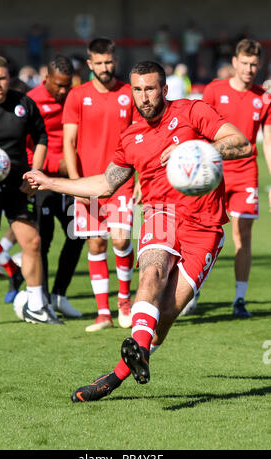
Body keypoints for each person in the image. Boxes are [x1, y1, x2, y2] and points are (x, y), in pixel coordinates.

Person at [24, 61, 251, 402]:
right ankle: (134, 355)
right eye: (138, 90)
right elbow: (105, 184)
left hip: (205, 224)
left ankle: (116, 375)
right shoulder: (131, 137)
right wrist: (49, 182)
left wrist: (198, 151)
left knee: (168, 312)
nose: (144, 97)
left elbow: (241, 143)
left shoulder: (193, 111)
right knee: (152, 273)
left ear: (164, 89)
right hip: (160, 214)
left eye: (150, 88)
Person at [0, 55, 62, 326]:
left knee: (32, 242)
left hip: (17, 185)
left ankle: (37, 306)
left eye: (2, 78)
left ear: (8, 78)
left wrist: (34, 174)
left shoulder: (23, 104)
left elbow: (41, 137)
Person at [62, 37, 138, 332]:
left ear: (114, 61)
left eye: (109, 62)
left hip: (121, 182)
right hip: (88, 183)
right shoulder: (77, 96)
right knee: (96, 242)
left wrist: (140, 180)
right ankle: (103, 313)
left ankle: (124, 302)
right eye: (100, 63)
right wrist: (74, 185)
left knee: (119, 239)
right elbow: (69, 141)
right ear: (90, 63)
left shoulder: (128, 93)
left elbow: (137, 139)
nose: (105, 67)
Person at [203, 39, 271, 318]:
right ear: (234, 63)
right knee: (206, 235)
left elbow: (268, 142)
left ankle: (240, 299)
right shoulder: (214, 91)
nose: (249, 68)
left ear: (260, 65)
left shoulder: (263, 98)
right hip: (214, 174)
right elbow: (200, 130)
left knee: (242, 236)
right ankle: (192, 292)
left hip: (246, 175)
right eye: (244, 63)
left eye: (254, 64)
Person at [26, 55, 85, 318]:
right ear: (46, 78)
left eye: (67, 85)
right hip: (44, 179)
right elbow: (25, 145)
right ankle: (41, 297)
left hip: (73, 178)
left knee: (78, 233)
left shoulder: (76, 97)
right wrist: (51, 163)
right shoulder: (31, 101)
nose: (62, 91)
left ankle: (59, 294)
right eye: (58, 86)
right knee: (44, 239)